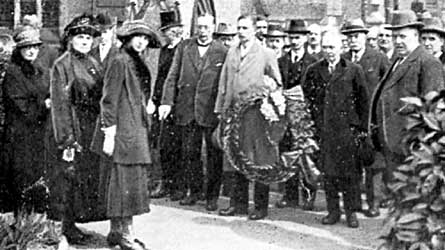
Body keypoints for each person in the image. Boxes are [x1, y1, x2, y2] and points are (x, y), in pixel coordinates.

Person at [369, 10, 444, 213]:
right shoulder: (398, 60)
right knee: (399, 200)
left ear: (416, 36)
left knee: (412, 203)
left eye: (403, 36)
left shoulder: (428, 63)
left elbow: (431, 112)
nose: (397, 41)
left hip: (410, 148)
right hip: (392, 144)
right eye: (395, 36)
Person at [100, 19, 160, 250]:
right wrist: (109, 131)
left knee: (125, 184)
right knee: (125, 185)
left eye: (145, 38)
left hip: (134, 128)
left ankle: (117, 232)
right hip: (124, 132)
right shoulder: (120, 61)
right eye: (137, 37)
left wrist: (147, 104)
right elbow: (109, 98)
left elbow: (137, 93)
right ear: (127, 38)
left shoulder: (135, 60)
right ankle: (125, 236)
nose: (142, 42)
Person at [216, 14, 282, 220]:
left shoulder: (266, 53)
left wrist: (268, 100)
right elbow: (224, 82)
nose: (241, 32)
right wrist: (221, 110)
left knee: (259, 160)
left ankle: (260, 207)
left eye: (245, 28)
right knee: (237, 159)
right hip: (235, 115)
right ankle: (239, 205)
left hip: (257, 117)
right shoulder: (232, 52)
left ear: (254, 30)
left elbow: (277, 83)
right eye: (239, 28)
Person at [159, 14, 227, 211]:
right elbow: (172, 75)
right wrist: (166, 102)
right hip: (187, 109)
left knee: (214, 155)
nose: (203, 31)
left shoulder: (222, 51)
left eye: (206, 27)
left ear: (213, 28)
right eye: (200, 27)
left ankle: (212, 196)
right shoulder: (184, 47)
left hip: (210, 111)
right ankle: (194, 191)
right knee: (190, 152)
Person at [302, 29, 368, 228]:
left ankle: (351, 213)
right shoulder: (314, 70)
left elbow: (363, 101)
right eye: (325, 47)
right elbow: (308, 98)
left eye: (332, 47)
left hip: (347, 131)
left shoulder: (353, 70)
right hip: (325, 131)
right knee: (329, 174)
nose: (329, 51)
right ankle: (333, 212)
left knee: (350, 175)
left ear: (341, 48)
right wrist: (312, 126)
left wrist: (362, 130)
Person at [48, 13, 103, 244]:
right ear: (71, 39)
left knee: (83, 178)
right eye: (80, 37)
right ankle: (61, 230)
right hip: (72, 126)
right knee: (66, 178)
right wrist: (66, 140)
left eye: (88, 39)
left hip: (90, 128)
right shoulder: (62, 65)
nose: (84, 42)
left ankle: (72, 225)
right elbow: (60, 105)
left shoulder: (92, 63)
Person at [341, 18, 390, 218]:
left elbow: (388, 86)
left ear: (365, 37)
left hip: (372, 119)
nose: (353, 40)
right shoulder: (343, 59)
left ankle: (374, 202)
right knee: (352, 162)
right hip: (350, 120)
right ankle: (353, 204)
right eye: (350, 37)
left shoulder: (378, 58)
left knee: (374, 163)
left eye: (357, 36)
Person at [2, 27, 49, 213]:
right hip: (18, 134)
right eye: (27, 47)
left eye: (35, 47)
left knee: (35, 175)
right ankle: (19, 225)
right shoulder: (14, 72)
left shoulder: (38, 70)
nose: (31, 51)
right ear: (19, 50)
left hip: (36, 131)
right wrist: (43, 106)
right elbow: (19, 104)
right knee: (20, 175)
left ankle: (32, 221)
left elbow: (45, 91)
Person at [275, 19, 318, 210]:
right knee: (286, 153)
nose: (294, 41)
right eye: (292, 37)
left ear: (306, 38)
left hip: (305, 116)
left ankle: (309, 194)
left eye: (298, 37)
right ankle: (289, 195)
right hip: (285, 115)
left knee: (306, 155)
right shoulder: (280, 61)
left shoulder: (314, 62)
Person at [151, 8, 185, 200]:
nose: (173, 34)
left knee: (177, 146)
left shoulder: (184, 49)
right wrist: (155, 99)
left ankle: (178, 187)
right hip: (160, 103)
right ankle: (165, 183)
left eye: (176, 30)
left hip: (177, 103)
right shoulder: (164, 51)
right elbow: (161, 78)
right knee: (163, 146)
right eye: (169, 30)